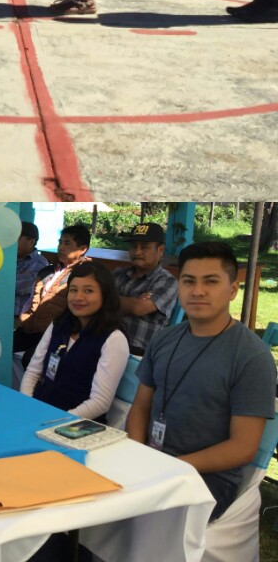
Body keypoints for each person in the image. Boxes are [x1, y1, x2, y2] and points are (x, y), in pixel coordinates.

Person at [127, 241, 276, 525]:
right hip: (153, 460)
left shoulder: (251, 356)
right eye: (188, 281)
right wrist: (137, 455)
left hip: (208, 479)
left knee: (133, 515)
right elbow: (141, 405)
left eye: (211, 281)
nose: (198, 291)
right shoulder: (164, 338)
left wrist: (168, 467)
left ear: (233, 290)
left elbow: (243, 446)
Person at [20, 261, 130, 419]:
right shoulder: (59, 324)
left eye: (88, 291)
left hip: (75, 425)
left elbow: (100, 402)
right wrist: (27, 406)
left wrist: (56, 422)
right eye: (73, 290)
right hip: (39, 412)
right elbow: (32, 372)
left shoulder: (114, 339)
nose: (78, 297)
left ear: (105, 295)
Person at [16, 223, 91, 365]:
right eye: (60, 242)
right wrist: (24, 317)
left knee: (31, 359)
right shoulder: (47, 271)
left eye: (67, 243)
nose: (61, 247)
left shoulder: (85, 275)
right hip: (30, 329)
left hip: (56, 335)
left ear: (82, 249)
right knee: (5, 345)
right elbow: (31, 298)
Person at [113, 222, 180, 357]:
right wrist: (132, 302)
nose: (137, 252)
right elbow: (96, 300)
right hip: (107, 343)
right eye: (133, 246)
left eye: (144, 247)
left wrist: (107, 299)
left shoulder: (167, 281)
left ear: (160, 250)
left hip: (138, 354)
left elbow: (139, 308)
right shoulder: (118, 274)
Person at [14, 221, 51, 320]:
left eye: (17, 238)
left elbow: (17, 286)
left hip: (20, 319)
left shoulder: (39, 263)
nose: (12, 241)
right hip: (3, 313)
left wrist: (3, 278)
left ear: (31, 242)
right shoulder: (9, 258)